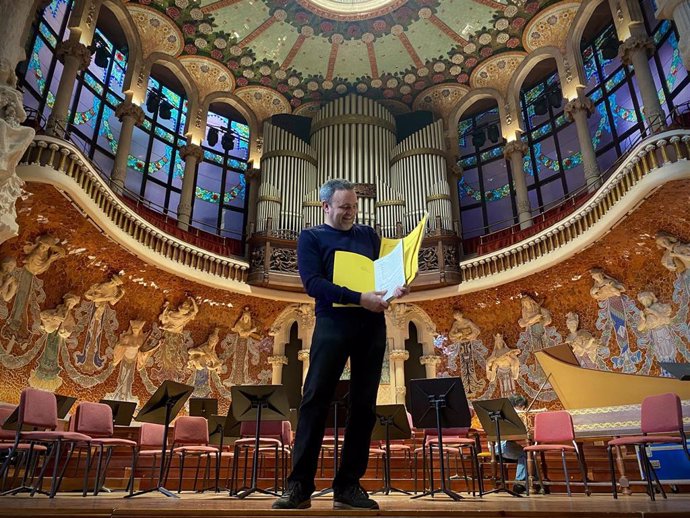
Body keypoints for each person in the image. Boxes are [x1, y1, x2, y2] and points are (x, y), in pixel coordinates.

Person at [273, 179, 408, 510]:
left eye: (354, 207)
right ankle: (299, 486)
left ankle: (348, 485)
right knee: (315, 400)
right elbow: (313, 283)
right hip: (333, 323)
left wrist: (393, 288)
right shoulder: (312, 237)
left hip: (371, 325)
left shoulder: (368, 236)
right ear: (326, 207)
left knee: (363, 407)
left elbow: (381, 277)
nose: (351, 213)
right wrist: (357, 297)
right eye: (345, 207)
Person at [496, 394, 528, 494]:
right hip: (503, 446)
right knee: (526, 454)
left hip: (494, 447)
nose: (523, 409)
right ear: (517, 405)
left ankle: (532, 482)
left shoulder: (498, 413)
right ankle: (519, 483)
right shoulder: (513, 414)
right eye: (522, 407)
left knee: (527, 452)